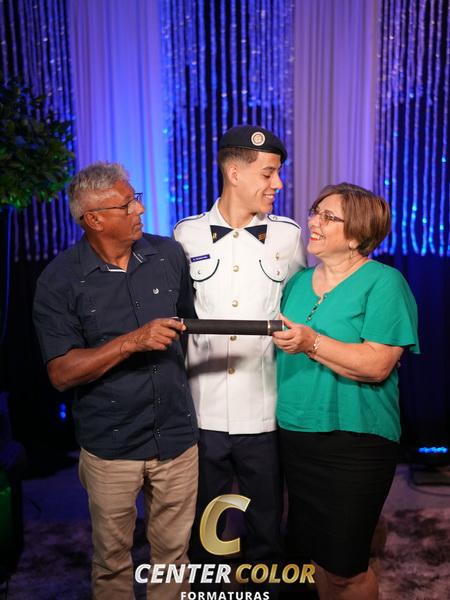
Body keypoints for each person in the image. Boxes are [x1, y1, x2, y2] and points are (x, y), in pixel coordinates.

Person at [33, 162, 199, 600]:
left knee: (174, 558)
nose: (140, 209)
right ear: (94, 219)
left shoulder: (168, 255)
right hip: (111, 446)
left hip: (177, 439)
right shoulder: (59, 280)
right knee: (111, 561)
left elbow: (190, 327)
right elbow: (61, 373)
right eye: (127, 204)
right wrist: (132, 342)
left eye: (136, 198)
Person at [272, 182, 419, 600]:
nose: (313, 222)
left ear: (356, 236)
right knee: (313, 559)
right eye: (314, 212)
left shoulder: (384, 283)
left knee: (345, 568)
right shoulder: (298, 283)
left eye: (328, 217)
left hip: (356, 441)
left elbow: (377, 365)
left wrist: (312, 342)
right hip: (297, 435)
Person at [174, 125, 307, 575]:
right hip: (203, 410)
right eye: (269, 173)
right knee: (204, 531)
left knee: (266, 529)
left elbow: (299, 308)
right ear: (234, 173)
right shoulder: (186, 234)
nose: (278, 184)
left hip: (263, 410)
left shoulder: (288, 237)